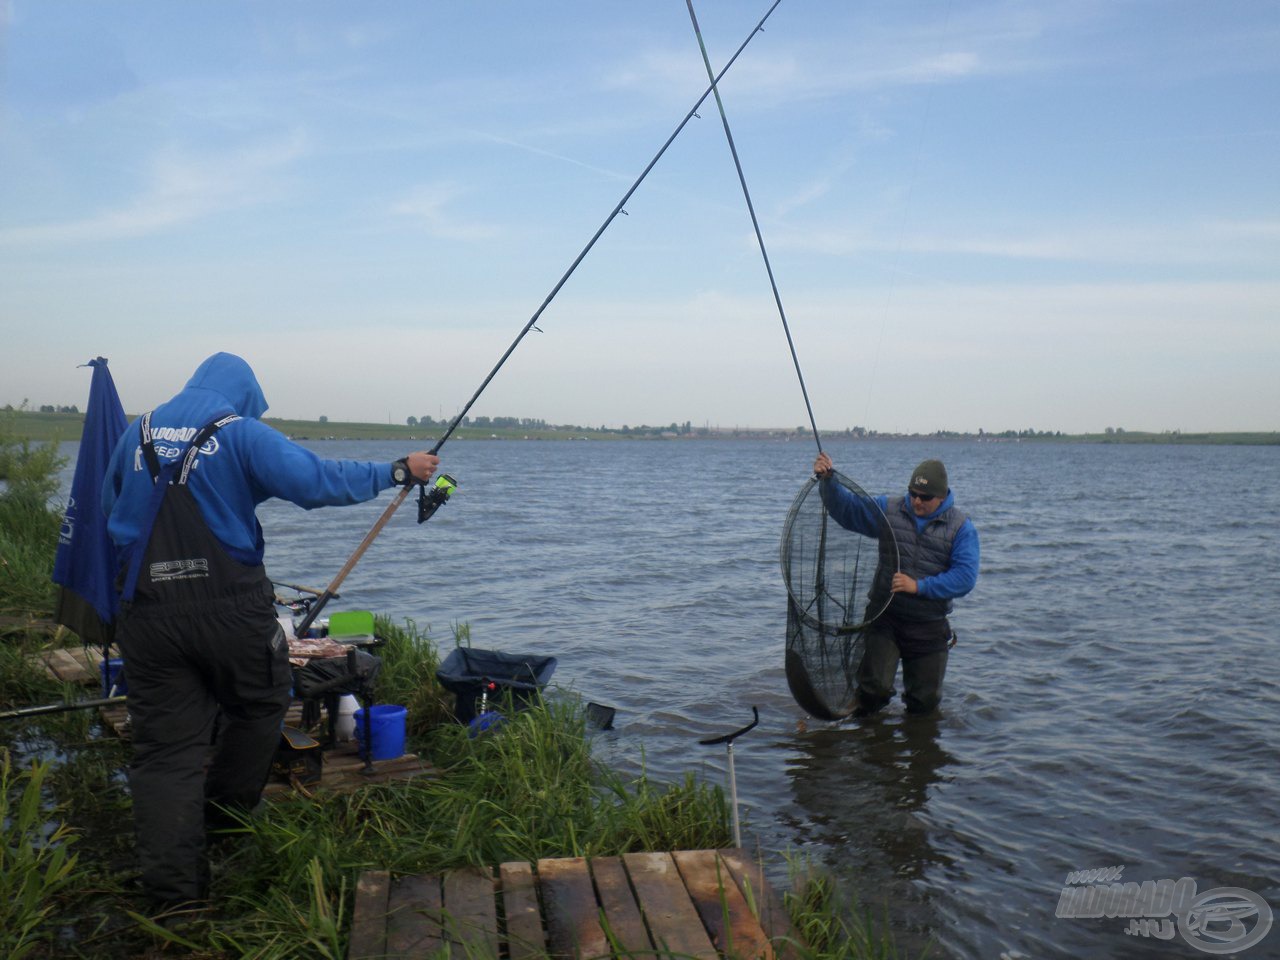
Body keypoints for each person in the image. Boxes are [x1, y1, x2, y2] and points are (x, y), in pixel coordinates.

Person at [101, 352, 440, 907]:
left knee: (165, 754)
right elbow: (314, 480)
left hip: (147, 612)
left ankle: (175, 901)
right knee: (260, 706)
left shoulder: (133, 433)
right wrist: (396, 470)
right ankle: (229, 818)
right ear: (242, 396)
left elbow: (111, 515)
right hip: (231, 609)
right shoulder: (238, 433)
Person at [812, 452, 979, 717]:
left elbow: (965, 577)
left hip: (929, 624)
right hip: (884, 618)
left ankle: (920, 748)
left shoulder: (961, 528)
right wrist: (828, 481)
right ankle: (870, 747)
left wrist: (919, 587)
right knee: (873, 691)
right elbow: (849, 511)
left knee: (924, 703)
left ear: (942, 496)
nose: (916, 501)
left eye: (924, 497)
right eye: (913, 493)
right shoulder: (890, 510)